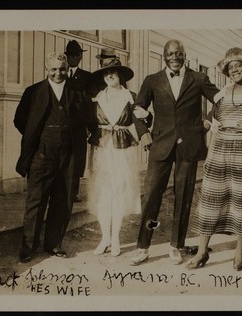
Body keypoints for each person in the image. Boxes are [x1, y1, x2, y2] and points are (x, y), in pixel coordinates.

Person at [129, 39, 220, 266]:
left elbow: (221, 100)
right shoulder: (152, 80)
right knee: (151, 196)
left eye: (179, 53)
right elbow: (137, 109)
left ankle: (176, 245)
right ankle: (142, 247)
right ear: (164, 56)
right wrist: (143, 133)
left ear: (184, 55)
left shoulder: (198, 78)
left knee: (184, 196)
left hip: (189, 145)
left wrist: (208, 122)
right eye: (170, 53)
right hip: (160, 145)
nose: (175, 57)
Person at [188, 48, 242, 271]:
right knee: (210, 201)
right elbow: (214, 125)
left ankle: (239, 251)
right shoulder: (221, 94)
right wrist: (209, 154)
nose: (234, 70)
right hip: (219, 151)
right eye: (230, 67)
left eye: (239, 66)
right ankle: (202, 251)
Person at [14, 52, 98, 263]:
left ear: (67, 69)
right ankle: (28, 246)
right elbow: (20, 120)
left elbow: (90, 119)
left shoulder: (77, 92)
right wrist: (41, 135)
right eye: (54, 69)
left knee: (63, 199)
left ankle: (53, 244)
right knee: (36, 200)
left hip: (69, 155)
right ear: (46, 69)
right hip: (42, 154)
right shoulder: (33, 92)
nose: (58, 73)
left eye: (62, 69)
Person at [86, 57, 151, 257]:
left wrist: (146, 125)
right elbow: (89, 121)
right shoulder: (97, 97)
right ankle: (105, 238)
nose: (109, 75)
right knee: (103, 193)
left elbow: (141, 120)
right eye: (105, 73)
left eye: (113, 72)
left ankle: (116, 240)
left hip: (123, 151)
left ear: (120, 75)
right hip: (102, 150)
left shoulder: (130, 96)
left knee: (119, 191)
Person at [64, 40, 92, 203]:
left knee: (77, 159)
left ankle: (73, 192)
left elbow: (89, 103)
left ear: (81, 57)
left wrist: (90, 126)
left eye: (77, 55)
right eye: (71, 55)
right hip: (63, 123)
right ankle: (61, 191)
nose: (74, 58)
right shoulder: (60, 73)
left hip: (79, 125)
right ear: (66, 57)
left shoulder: (87, 77)